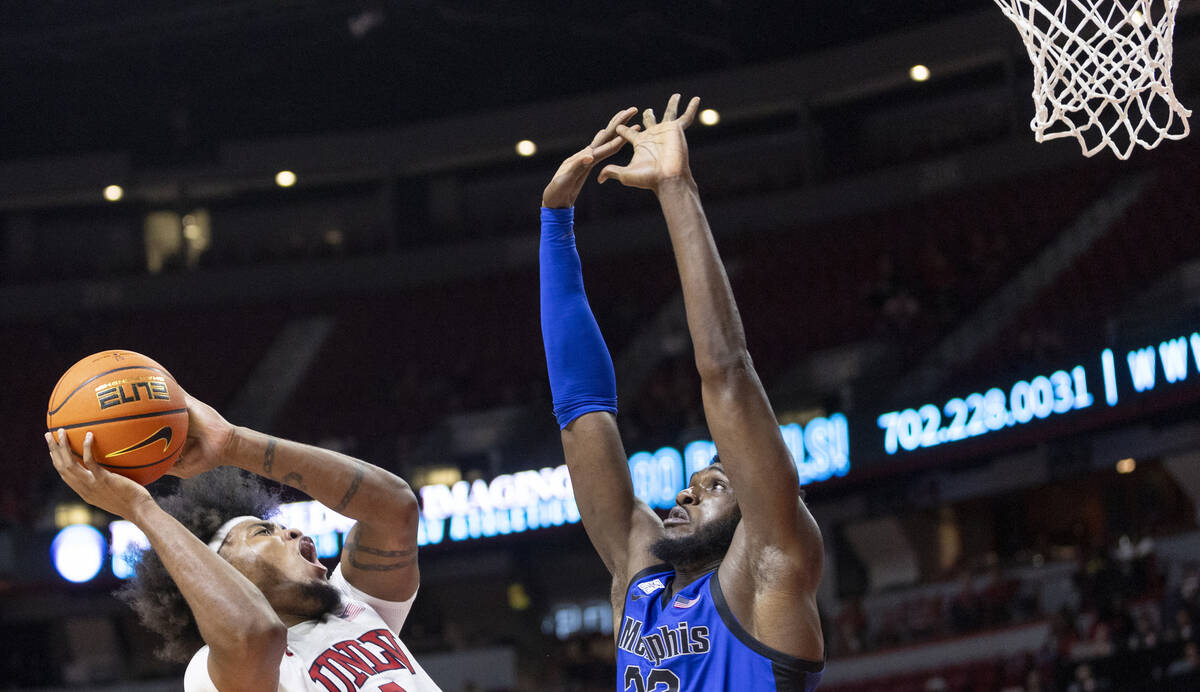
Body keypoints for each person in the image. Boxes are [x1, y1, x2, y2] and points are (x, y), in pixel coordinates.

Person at [539, 95, 824, 691]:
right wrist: (556, 221)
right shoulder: (641, 582)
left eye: (715, 484)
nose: (683, 494)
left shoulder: (771, 568)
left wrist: (676, 188)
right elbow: (581, 415)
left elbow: (725, 370)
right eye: (696, 484)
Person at [45, 394, 441, 692]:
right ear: (222, 568)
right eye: (263, 532)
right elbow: (257, 633)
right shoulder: (210, 671)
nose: (294, 533)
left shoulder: (356, 606)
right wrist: (139, 508)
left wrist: (233, 444)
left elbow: (395, 506)